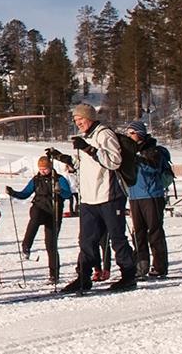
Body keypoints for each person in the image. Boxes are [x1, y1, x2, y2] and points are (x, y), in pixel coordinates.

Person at [52, 103, 137, 293]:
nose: (78, 123)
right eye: (75, 120)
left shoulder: (104, 134)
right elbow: (84, 164)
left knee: (116, 238)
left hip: (109, 195)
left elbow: (114, 161)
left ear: (89, 118)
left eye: (80, 119)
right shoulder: (87, 137)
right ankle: (83, 276)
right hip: (89, 197)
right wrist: (63, 157)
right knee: (86, 240)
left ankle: (129, 275)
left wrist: (89, 148)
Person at [8, 155, 73, 286]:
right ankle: (26, 246)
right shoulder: (36, 179)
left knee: (51, 244)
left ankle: (54, 275)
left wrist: (59, 191)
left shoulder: (59, 179)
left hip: (53, 212)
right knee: (35, 219)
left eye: (45, 169)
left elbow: (68, 194)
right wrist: (13, 193)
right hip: (39, 207)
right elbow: (25, 193)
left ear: (50, 167)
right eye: (41, 169)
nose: (43, 171)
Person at [121, 120, 172, 280]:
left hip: (152, 195)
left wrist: (138, 159)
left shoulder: (153, 149)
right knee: (138, 233)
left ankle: (160, 266)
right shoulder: (130, 151)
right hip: (135, 196)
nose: (129, 136)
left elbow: (153, 168)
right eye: (128, 133)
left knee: (155, 232)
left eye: (132, 133)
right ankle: (140, 265)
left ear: (140, 134)